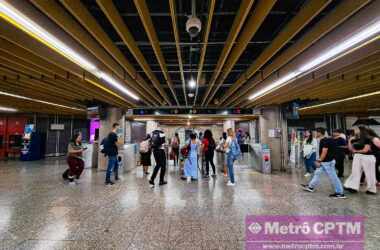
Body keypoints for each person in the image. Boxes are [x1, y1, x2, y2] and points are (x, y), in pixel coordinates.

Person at [301, 127, 346, 199]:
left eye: (315, 132)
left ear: (319, 133)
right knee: (317, 173)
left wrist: (319, 161)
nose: (314, 134)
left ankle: (340, 193)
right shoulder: (326, 139)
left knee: (333, 177)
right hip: (326, 161)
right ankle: (311, 187)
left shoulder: (325, 141)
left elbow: (324, 152)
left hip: (327, 162)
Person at [344, 127, 377, 194]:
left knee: (370, 174)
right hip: (357, 156)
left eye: (356, 129)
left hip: (368, 157)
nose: (355, 131)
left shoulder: (368, 138)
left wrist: (356, 151)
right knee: (355, 172)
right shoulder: (355, 139)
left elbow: (366, 150)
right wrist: (350, 140)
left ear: (361, 130)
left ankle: (372, 189)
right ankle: (353, 187)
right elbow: (350, 149)